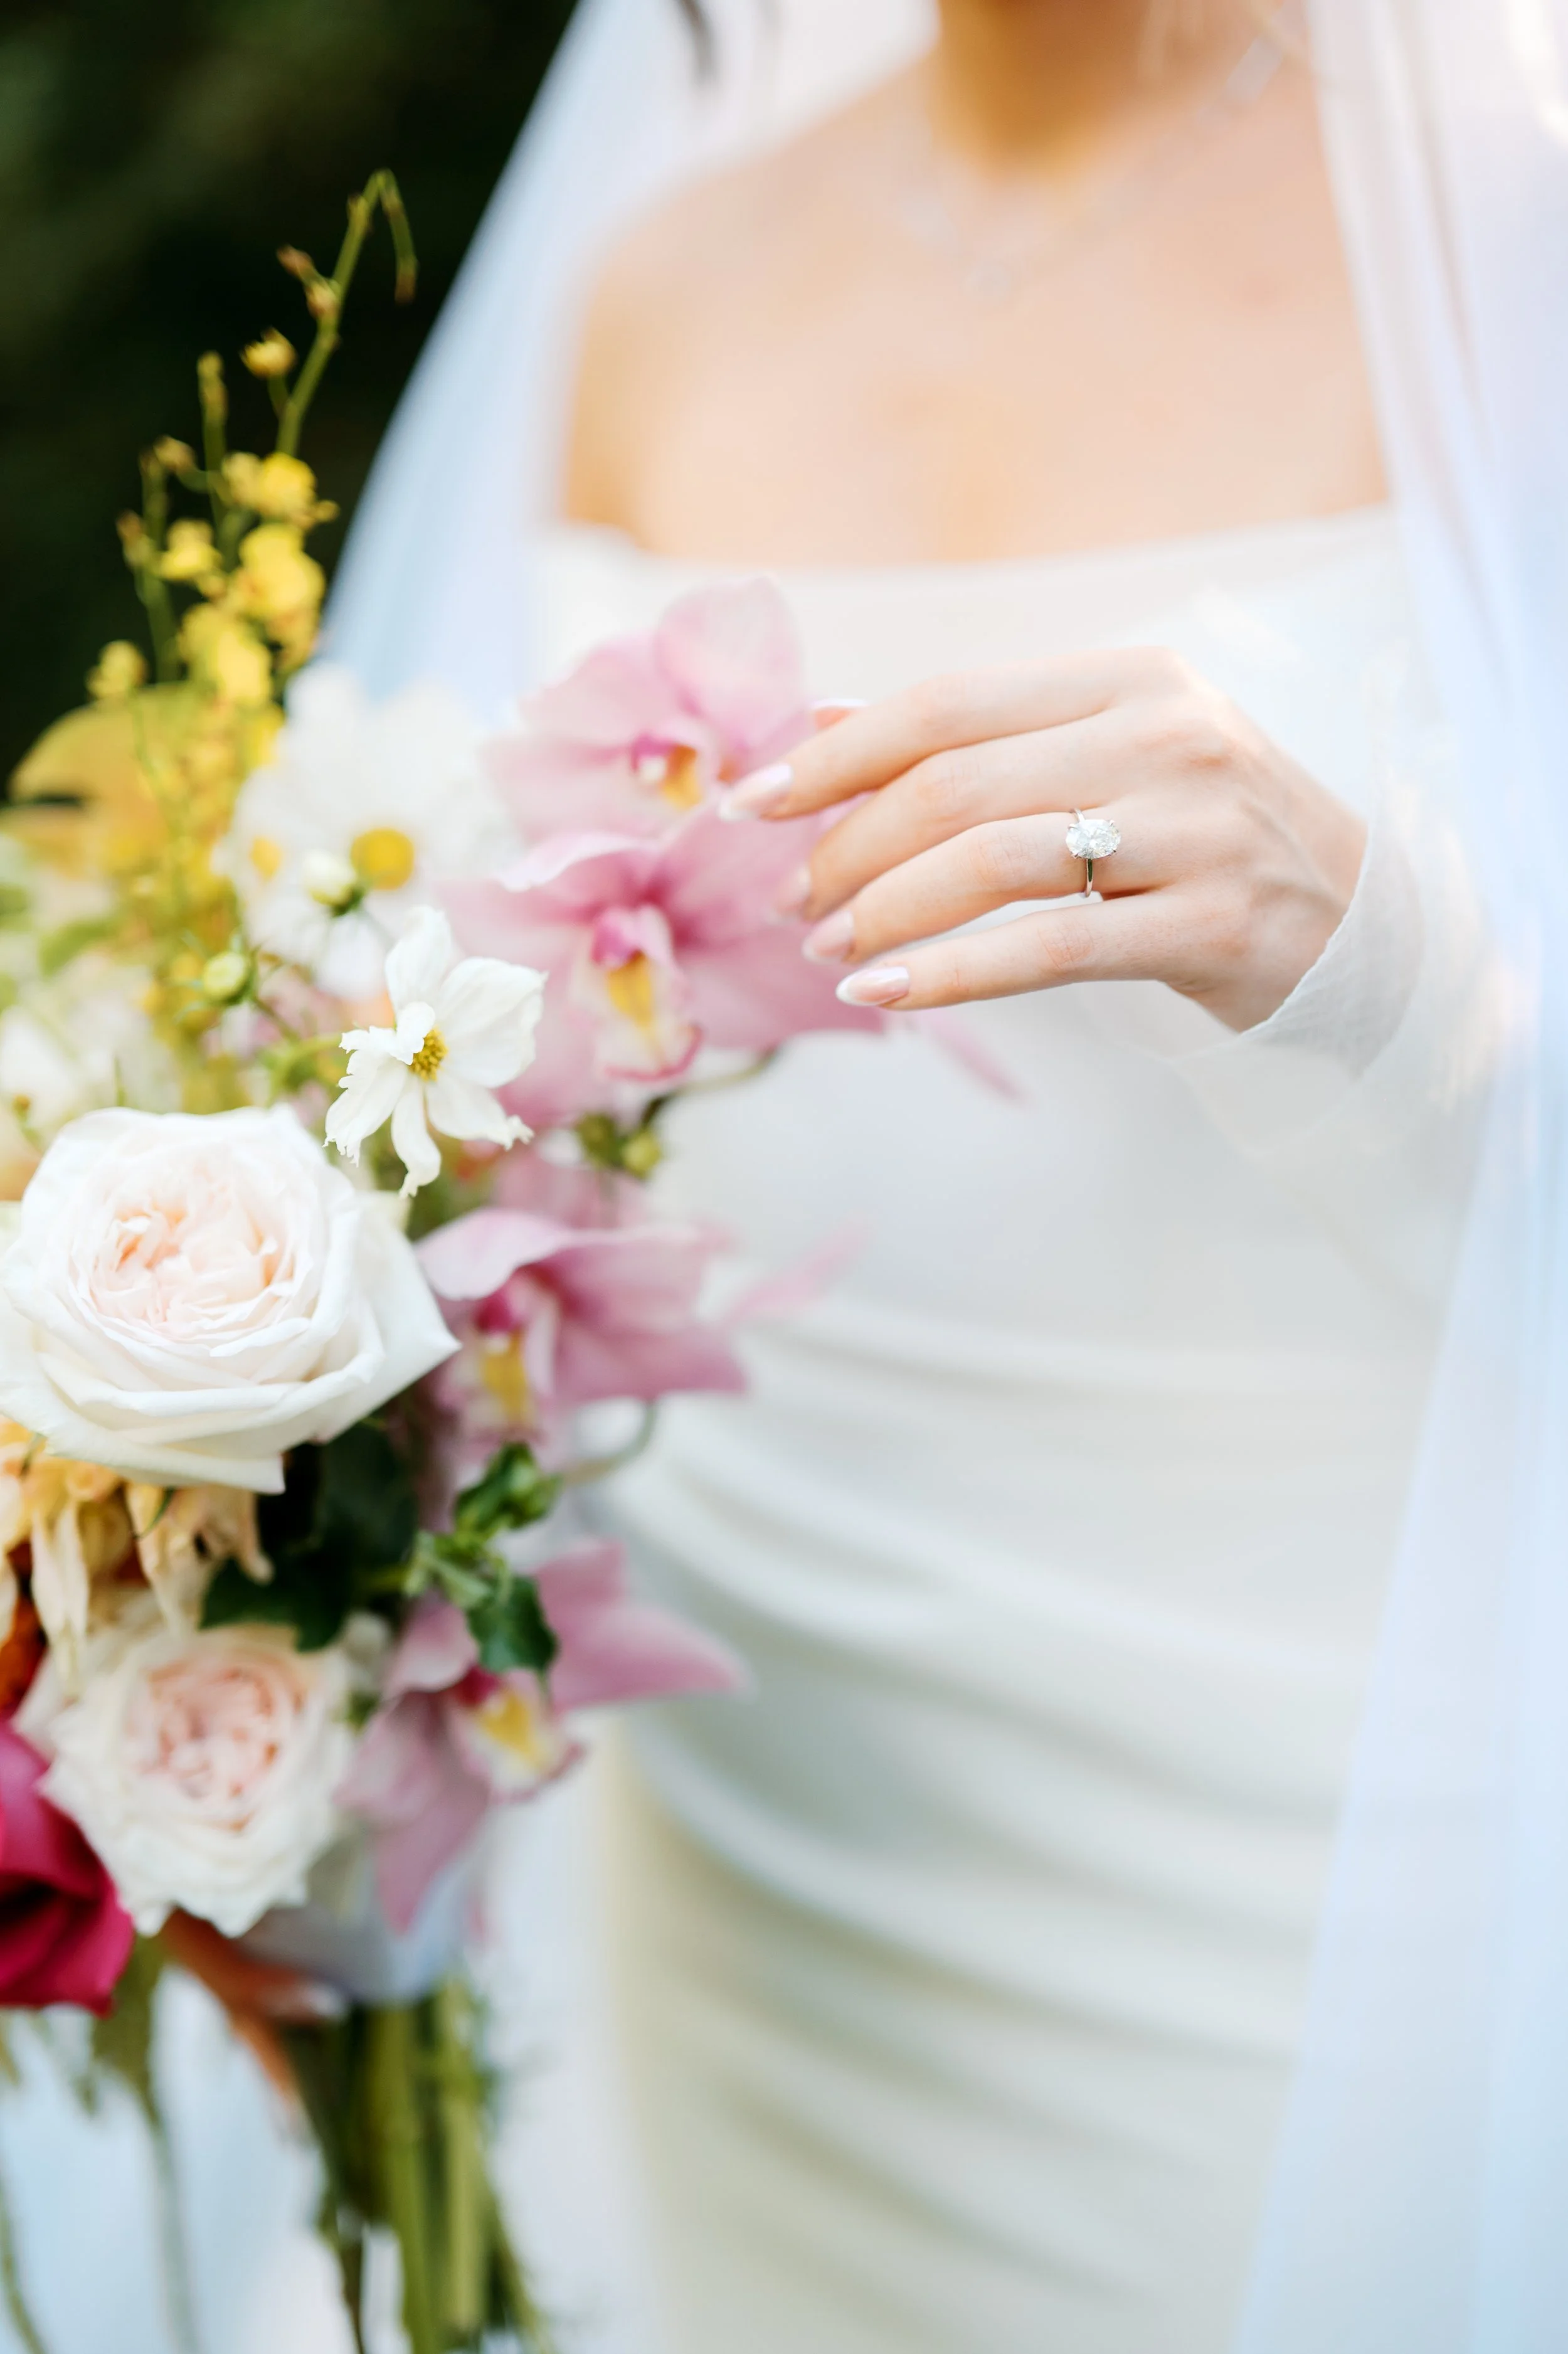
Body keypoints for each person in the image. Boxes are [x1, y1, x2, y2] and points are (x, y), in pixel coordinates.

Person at [326, 4, 1568, 2350]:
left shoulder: (1523, 227)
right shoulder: (648, 272)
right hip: (745, 1842)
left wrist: (1389, 974)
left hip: (1337, 1855)